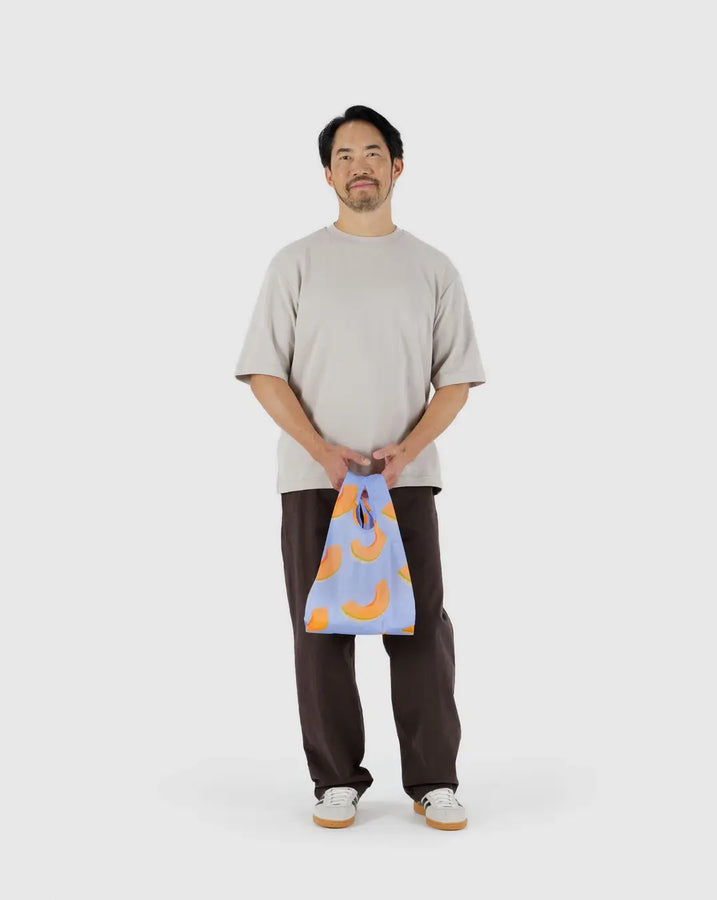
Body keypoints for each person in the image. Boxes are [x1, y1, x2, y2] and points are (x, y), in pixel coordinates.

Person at [233, 105, 486, 830]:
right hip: (315, 479)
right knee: (320, 630)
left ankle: (434, 779)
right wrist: (321, 450)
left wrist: (408, 448)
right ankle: (336, 779)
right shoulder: (295, 263)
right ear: (327, 174)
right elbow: (264, 373)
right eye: (343, 156)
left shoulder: (432, 267)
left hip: (406, 480)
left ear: (397, 166)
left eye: (372, 152)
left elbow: (456, 380)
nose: (359, 167)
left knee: (419, 628)